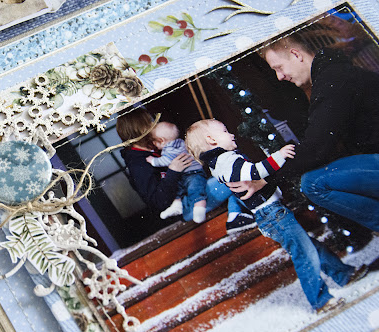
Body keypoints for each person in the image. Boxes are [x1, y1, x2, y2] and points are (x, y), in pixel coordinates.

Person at [185, 118, 368, 313]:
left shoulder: (220, 162)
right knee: (305, 254)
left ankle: (343, 274)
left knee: (309, 247)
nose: (231, 134)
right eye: (224, 131)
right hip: (272, 214)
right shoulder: (225, 160)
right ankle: (320, 301)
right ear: (211, 139)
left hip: (272, 213)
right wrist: (278, 156)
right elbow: (256, 172)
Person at [258, 34, 379, 231]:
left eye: (279, 68)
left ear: (296, 54)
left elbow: (315, 148)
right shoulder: (332, 73)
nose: (279, 77)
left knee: (313, 184)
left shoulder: (333, 79)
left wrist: (263, 177)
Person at [117, 108, 256, 233]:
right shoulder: (138, 164)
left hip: (195, 189)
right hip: (184, 206)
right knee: (235, 173)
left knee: (234, 167)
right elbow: (158, 202)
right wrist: (173, 171)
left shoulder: (159, 147)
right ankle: (259, 211)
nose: (155, 124)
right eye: (150, 122)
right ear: (141, 129)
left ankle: (235, 216)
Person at [145, 121, 207, 223]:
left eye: (155, 142)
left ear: (162, 140)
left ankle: (199, 211)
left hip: (193, 173)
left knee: (195, 190)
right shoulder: (179, 143)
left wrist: (153, 161)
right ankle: (177, 206)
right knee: (178, 189)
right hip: (186, 174)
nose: (154, 145)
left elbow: (166, 160)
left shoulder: (170, 148)